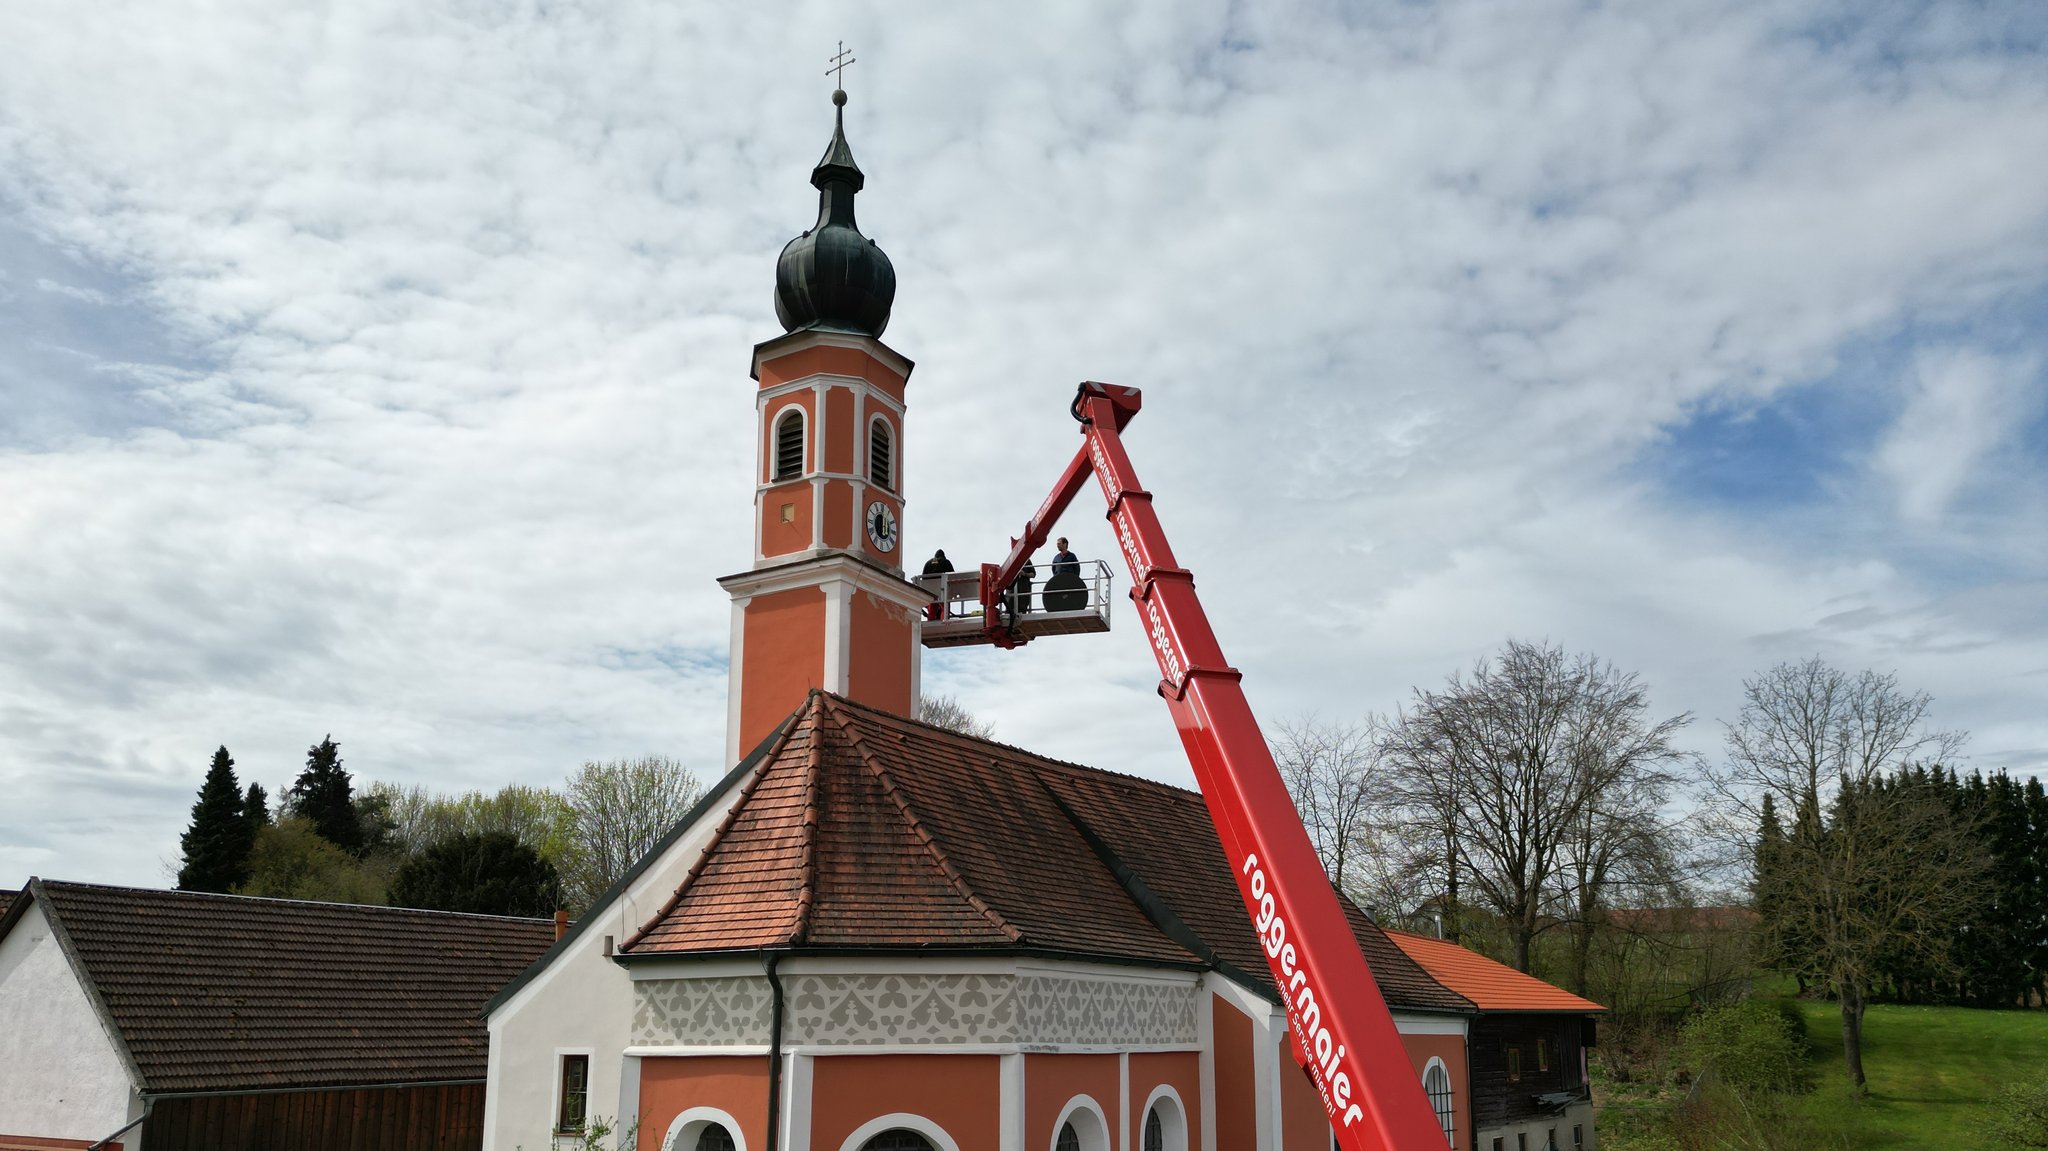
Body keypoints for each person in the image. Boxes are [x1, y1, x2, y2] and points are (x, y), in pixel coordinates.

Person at [1044, 537, 1087, 612]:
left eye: (1059, 544)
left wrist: (1075, 580)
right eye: (1057, 544)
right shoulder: (1056, 558)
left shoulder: (1072, 556)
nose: (1057, 546)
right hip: (1059, 583)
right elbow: (1054, 570)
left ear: (1065, 544)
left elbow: (1077, 568)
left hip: (1069, 581)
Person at [920, 550, 954, 620]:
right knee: (945, 608)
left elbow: (923, 578)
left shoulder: (928, 563)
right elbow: (952, 576)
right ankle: (944, 620)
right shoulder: (946, 562)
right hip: (942, 590)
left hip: (931, 592)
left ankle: (930, 620)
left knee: (932, 607)